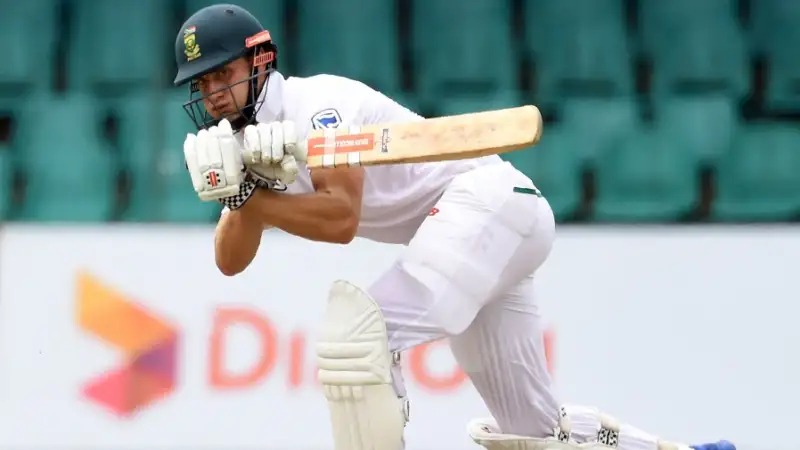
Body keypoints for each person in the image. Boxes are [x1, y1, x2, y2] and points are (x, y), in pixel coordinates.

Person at [173, 4, 736, 450]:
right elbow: (229, 260)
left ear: (260, 61)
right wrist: (240, 194)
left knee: (359, 334)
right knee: (534, 434)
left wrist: (254, 198)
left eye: (223, 74)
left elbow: (341, 218)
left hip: (488, 201)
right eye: (202, 84)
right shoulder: (244, 147)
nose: (214, 93)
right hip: (477, 235)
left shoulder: (318, 106)